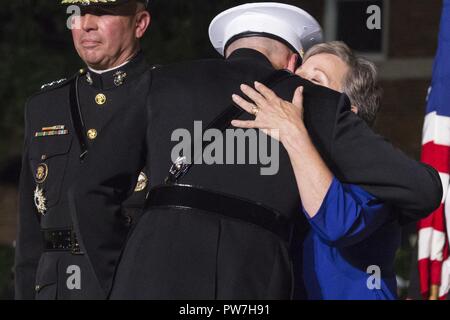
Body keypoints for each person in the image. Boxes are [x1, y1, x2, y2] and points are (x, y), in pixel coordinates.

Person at [69, 3, 441, 299]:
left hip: (149, 280)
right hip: (254, 284)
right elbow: (423, 188)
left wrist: (118, 275)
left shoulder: (158, 83)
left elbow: (90, 187)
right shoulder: (316, 103)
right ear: (293, 63)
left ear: (229, 49)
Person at [231, 41, 402, 299]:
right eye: (297, 79)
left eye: (315, 81)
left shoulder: (373, 166)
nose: (297, 90)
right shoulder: (280, 160)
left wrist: (292, 132)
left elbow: (338, 223)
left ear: (347, 114)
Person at [15, 0, 152, 300]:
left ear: (140, 24)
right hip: (57, 289)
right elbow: (29, 238)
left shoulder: (166, 98)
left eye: (103, 12)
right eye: (76, 12)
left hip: (134, 282)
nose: (86, 23)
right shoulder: (43, 107)